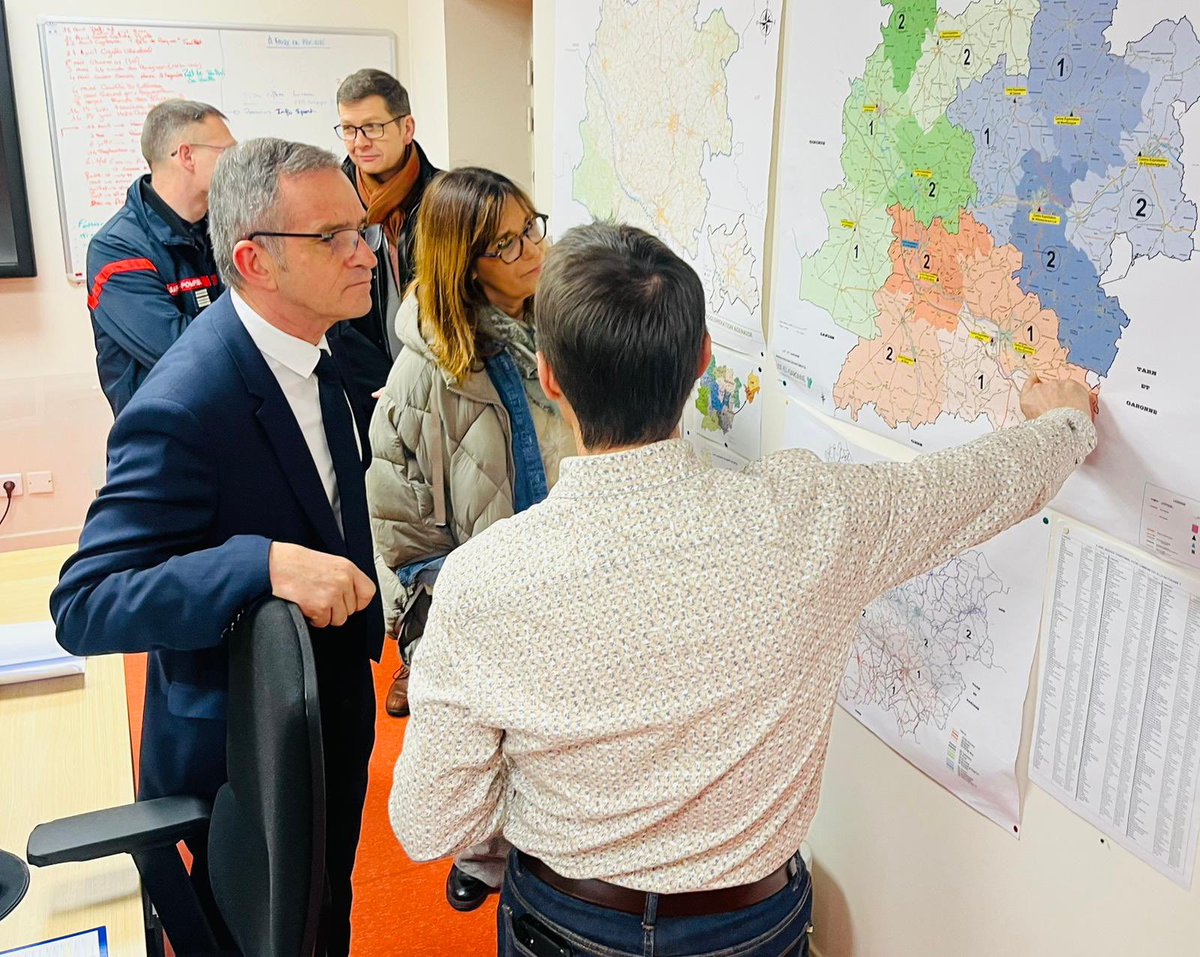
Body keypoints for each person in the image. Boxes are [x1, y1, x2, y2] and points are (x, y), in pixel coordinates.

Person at [390, 222, 1099, 956]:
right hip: (751, 928)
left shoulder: (485, 578)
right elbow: (970, 488)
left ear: (550, 377)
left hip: (565, 921)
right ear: (702, 360)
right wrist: (1066, 426)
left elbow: (429, 822)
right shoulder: (813, 519)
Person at [52, 138, 384, 956]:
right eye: (333, 237)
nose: (364, 253)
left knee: (323, 915)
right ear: (253, 261)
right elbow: (85, 602)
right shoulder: (188, 400)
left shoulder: (322, 348)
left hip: (327, 703)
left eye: (362, 228)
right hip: (245, 751)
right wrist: (259, 563)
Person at [367, 167, 576, 911]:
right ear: (465, 262)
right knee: (487, 744)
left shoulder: (557, 329)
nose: (531, 251)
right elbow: (399, 514)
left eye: (533, 228)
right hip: (483, 592)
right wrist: (453, 600)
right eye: (506, 243)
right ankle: (485, 858)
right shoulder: (426, 374)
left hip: (562, 578)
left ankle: (537, 851)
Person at [86, 99, 237, 415]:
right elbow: (179, 351)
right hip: (166, 442)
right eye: (227, 153)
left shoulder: (226, 228)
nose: (237, 164)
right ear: (187, 156)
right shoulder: (116, 249)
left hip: (228, 423)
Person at [331, 68, 442, 404]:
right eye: (349, 129)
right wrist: (378, 379)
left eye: (373, 128)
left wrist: (415, 376)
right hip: (360, 385)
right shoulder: (331, 202)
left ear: (406, 128)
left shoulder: (445, 198)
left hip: (435, 379)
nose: (359, 142)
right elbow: (328, 309)